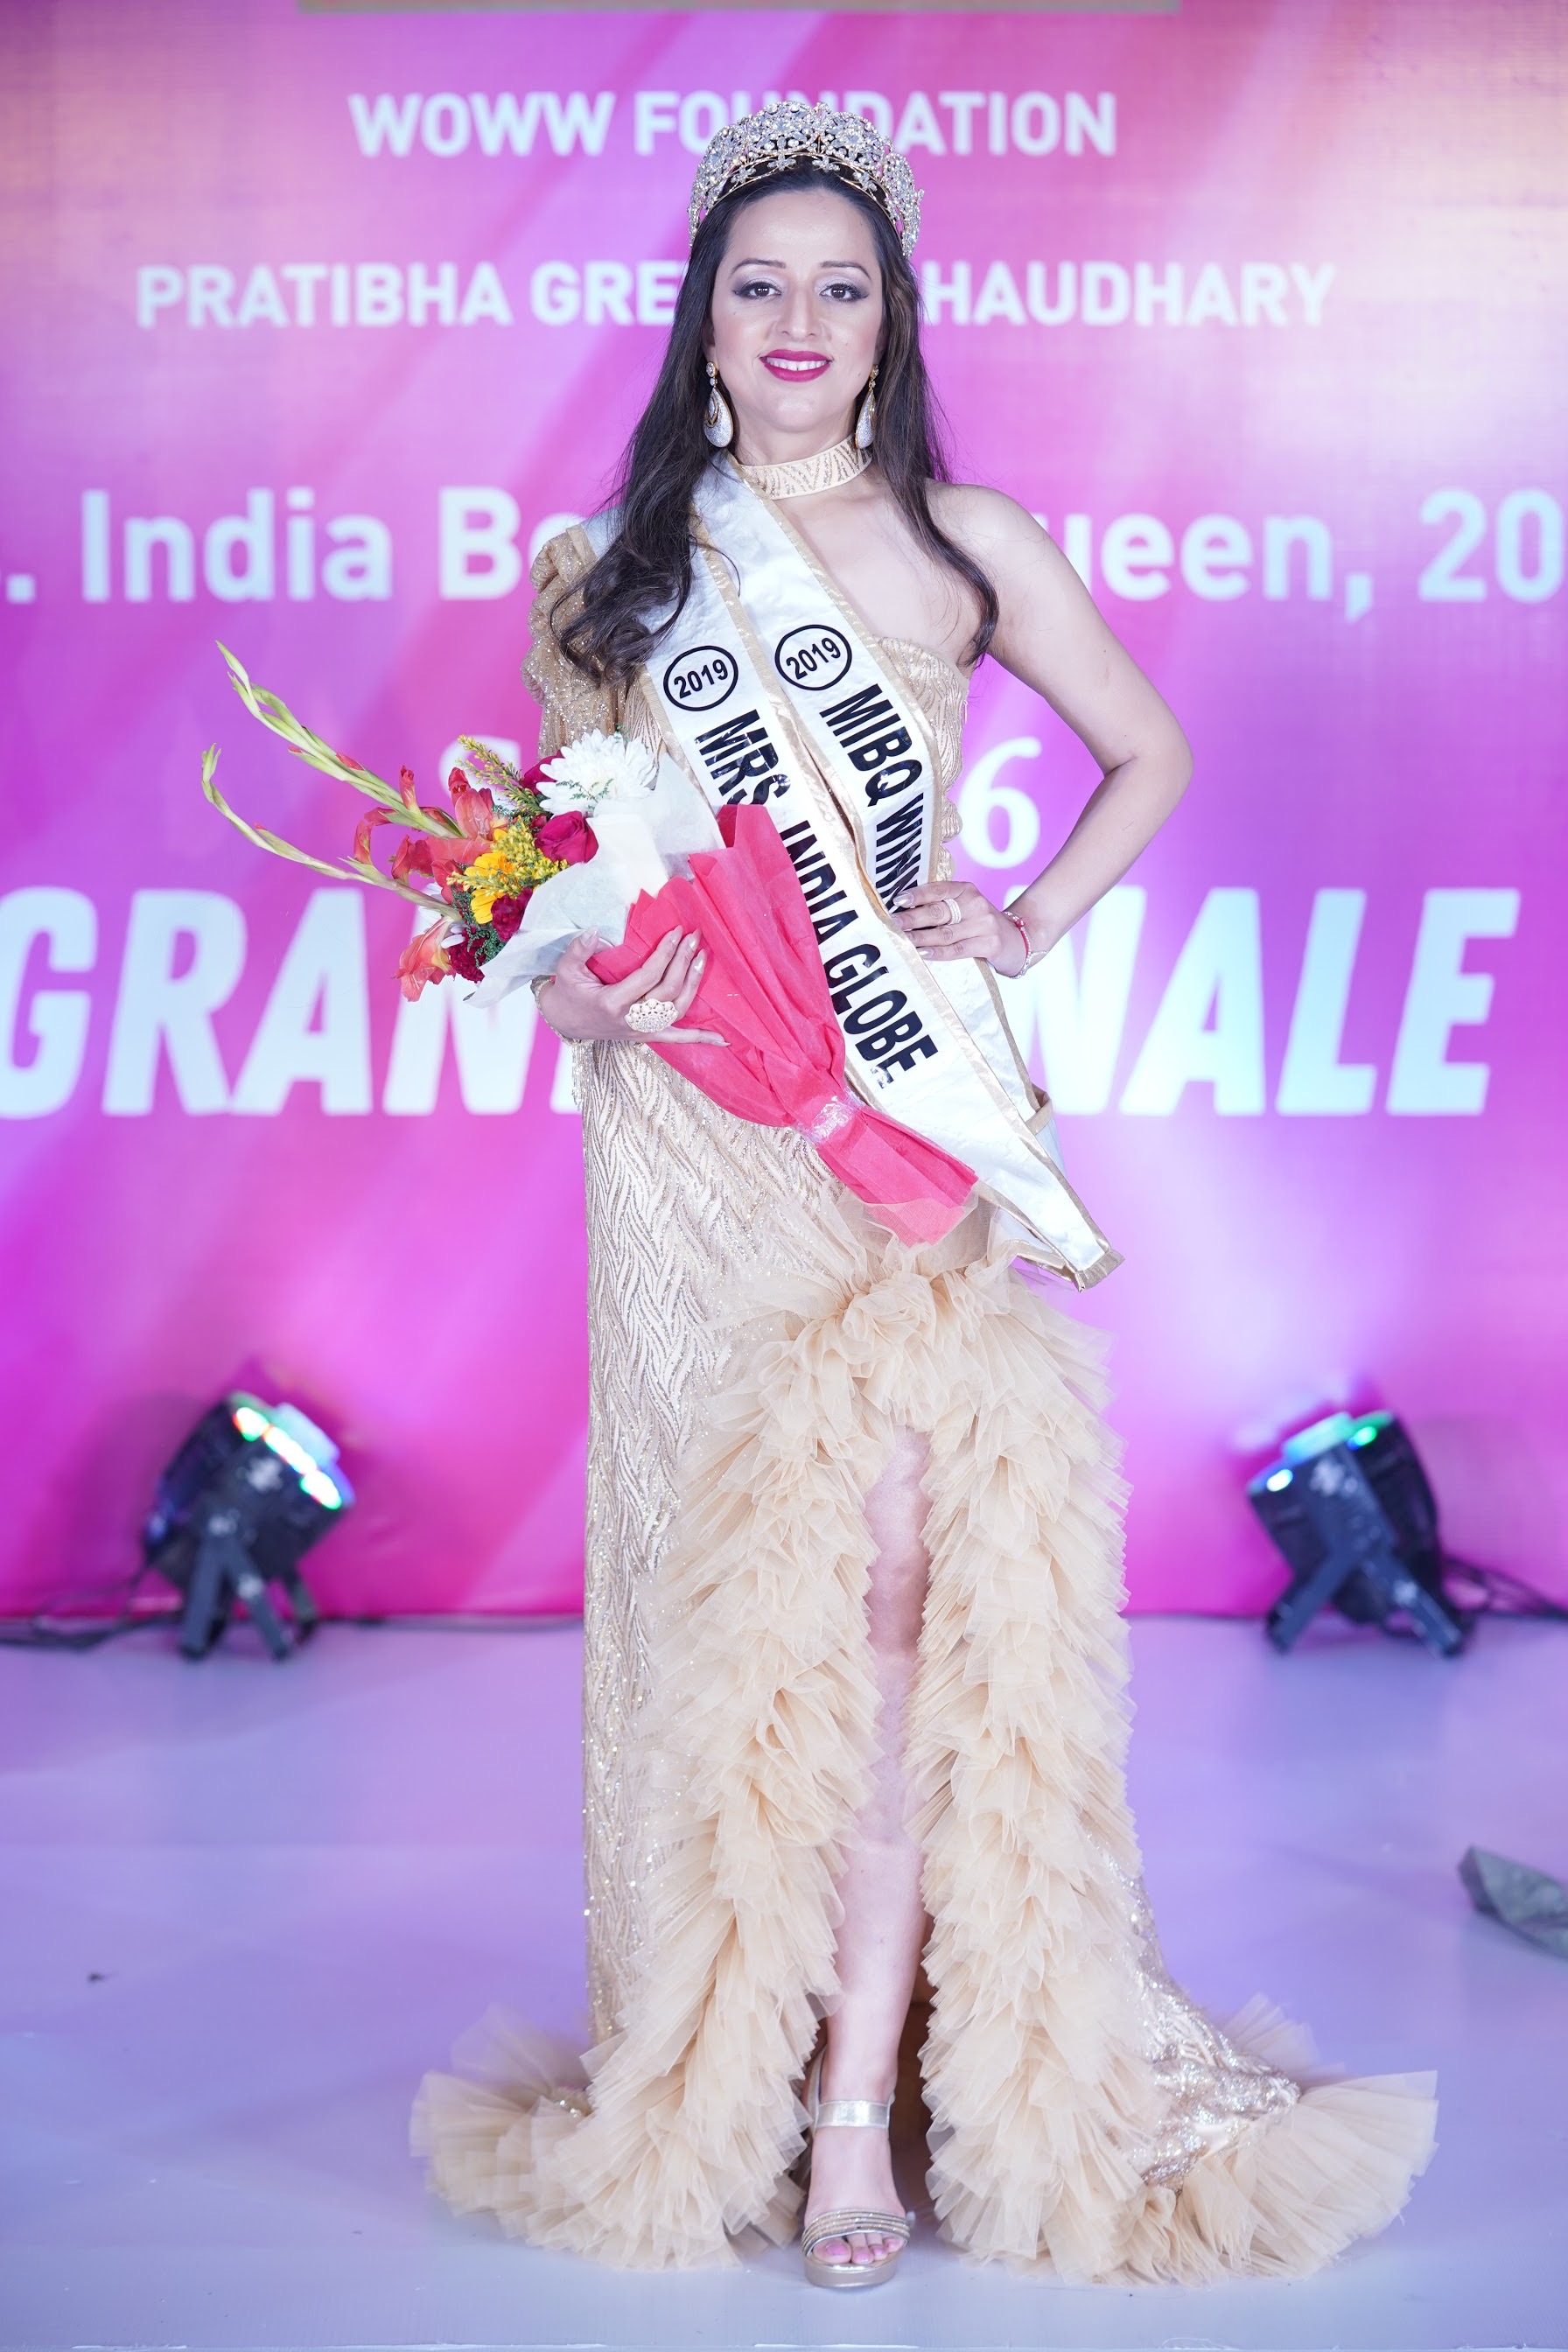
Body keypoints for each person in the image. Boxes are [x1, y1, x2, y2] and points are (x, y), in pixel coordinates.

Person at [410, 102, 1435, 2287]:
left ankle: (858, 2104)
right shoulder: (607, 577)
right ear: (703, 322)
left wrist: (1024, 914)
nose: (797, 318)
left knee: (886, 1600)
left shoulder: (962, 539)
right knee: (718, 1617)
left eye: (839, 285)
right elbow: (546, 887)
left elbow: (1145, 749)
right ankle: (719, 2062)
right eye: (757, 283)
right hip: (683, 1137)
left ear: (886, 325)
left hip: (889, 1127)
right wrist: (578, 998)